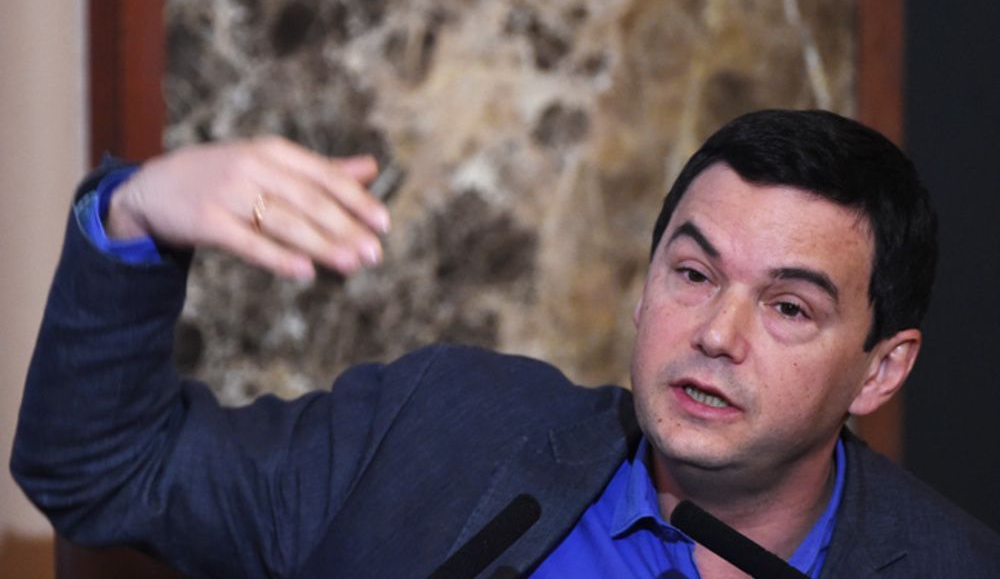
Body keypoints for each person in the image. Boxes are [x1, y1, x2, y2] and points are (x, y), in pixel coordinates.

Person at [11, 110, 1000, 578]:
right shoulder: (439, 433)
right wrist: (138, 216)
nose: (714, 333)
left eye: (788, 307)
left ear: (880, 368)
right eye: (692, 274)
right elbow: (105, 471)